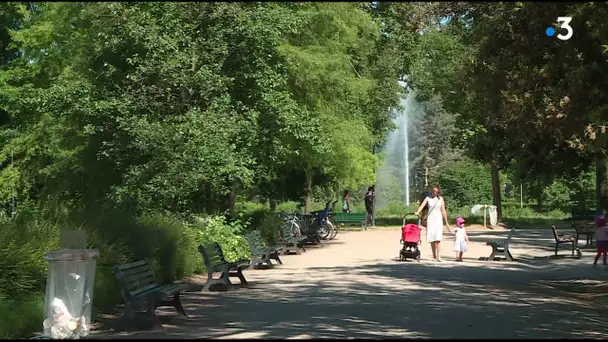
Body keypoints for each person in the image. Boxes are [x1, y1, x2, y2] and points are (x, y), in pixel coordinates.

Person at [415, 184, 450, 262]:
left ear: (438, 192)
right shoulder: (428, 198)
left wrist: (446, 222)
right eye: (433, 191)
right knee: (432, 238)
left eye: (436, 191)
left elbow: (443, 211)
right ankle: (434, 255)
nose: (434, 193)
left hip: (438, 220)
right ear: (432, 191)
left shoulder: (441, 199)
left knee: (438, 238)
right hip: (431, 220)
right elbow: (421, 206)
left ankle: (438, 256)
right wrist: (417, 212)